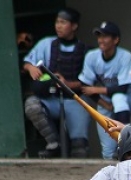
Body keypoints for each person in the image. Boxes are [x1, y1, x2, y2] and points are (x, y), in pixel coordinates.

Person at [22, 7, 91, 158]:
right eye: (57, 22)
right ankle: (54, 143)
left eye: (63, 22)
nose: (58, 26)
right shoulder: (47, 44)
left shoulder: (85, 50)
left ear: (74, 26)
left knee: (79, 150)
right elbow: (27, 62)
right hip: (51, 99)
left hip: (75, 100)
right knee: (32, 105)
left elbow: (89, 83)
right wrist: (31, 68)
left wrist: (67, 84)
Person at [79, 21, 131, 160]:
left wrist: (97, 89)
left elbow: (123, 88)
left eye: (105, 36)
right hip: (105, 102)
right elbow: (85, 86)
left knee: (118, 97)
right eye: (99, 36)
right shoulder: (92, 56)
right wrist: (103, 103)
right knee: (107, 152)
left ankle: (125, 141)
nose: (101, 40)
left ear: (116, 39)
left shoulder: (125, 56)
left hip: (127, 100)